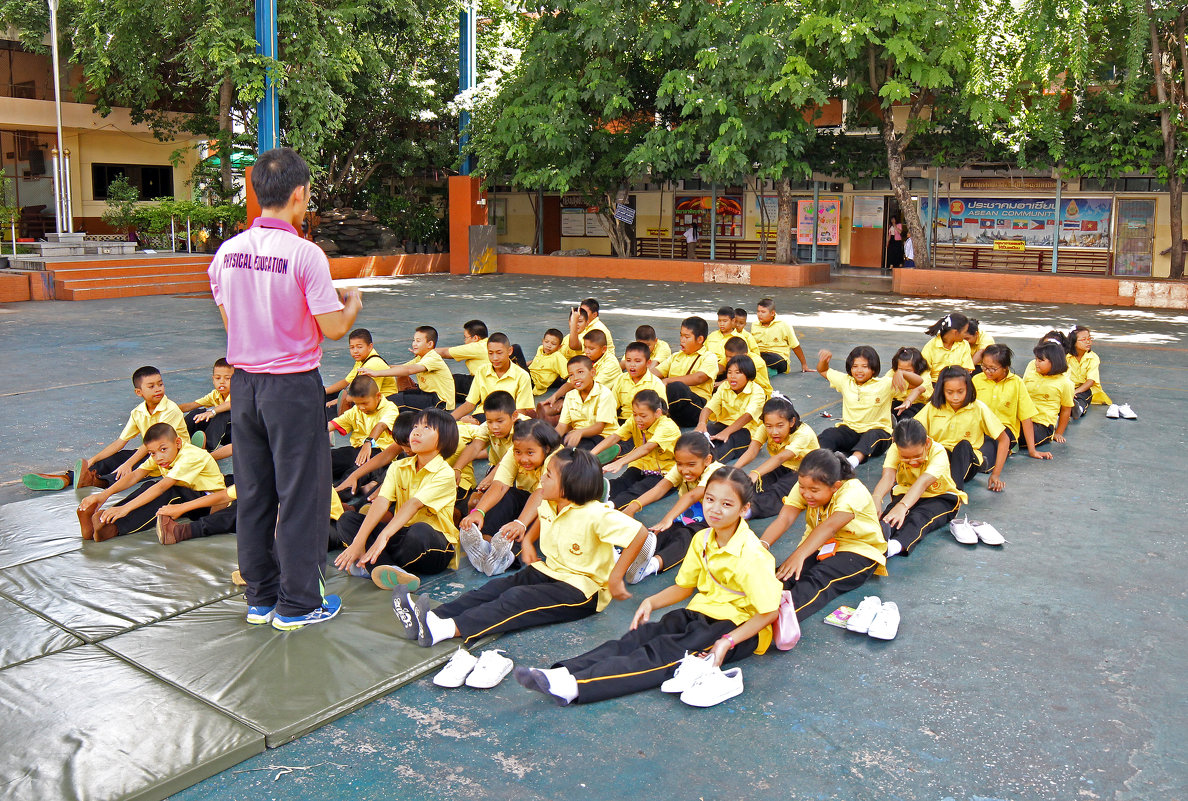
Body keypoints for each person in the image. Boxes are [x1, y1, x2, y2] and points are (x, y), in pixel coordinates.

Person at [208, 146, 361, 630]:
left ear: (256, 192)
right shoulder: (304, 254)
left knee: (253, 491)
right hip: (292, 387)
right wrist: (352, 303)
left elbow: (230, 319)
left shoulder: (226, 253)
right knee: (302, 495)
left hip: (246, 386)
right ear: (300, 194)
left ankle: (261, 598)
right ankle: (298, 604)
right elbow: (334, 328)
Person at [515, 466, 781, 707]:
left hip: (737, 626)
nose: (714, 509)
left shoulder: (753, 555)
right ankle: (564, 671)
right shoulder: (702, 538)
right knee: (637, 638)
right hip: (700, 612)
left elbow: (768, 612)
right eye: (710, 499)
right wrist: (651, 602)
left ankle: (575, 687)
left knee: (662, 654)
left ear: (744, 508)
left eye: (726, 504)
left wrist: (727, 642)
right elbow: (685, 587)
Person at [392, 448, 648, 649]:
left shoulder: (596, 514)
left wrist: (615, 578)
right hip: (549, 570)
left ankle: (444, 630)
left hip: (584, 589)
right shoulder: (550, 502)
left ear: (568, 486)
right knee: (495, 588)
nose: (542, 480)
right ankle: (430, 617)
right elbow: (540, 517)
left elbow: (640, 533)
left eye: (548, 476)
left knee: (516, 600)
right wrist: (527, 541)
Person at [333, 409, 461, 589]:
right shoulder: (398, 467)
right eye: (415, 426)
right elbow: (382, 501)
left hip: (434, 545)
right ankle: (384, 568)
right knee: (347, 520)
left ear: (444, 439)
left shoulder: (445, 473)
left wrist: (382, 537)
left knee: (419, 532)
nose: (416, 431)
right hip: (401, 533)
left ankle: (372, 564)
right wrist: (359, 541)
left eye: (426, 428)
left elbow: (413, 504)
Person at [761, 449, 887, 619]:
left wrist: (799, 554)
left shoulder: (854, 491)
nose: (806, 494)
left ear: (836, 486)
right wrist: (760, 548)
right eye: (802, 487)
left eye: (814, 490)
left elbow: (830, 527)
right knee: (784, 574)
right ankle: (749, 609)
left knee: (817, 579)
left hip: (859, 550)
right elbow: (784, 519)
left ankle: (776, 621)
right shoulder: (805, 487)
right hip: (821, 545)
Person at [31, 365, 192, 492]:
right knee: (116, 458)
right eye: (151, 386)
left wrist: (128, 464)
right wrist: (92, 461)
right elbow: (120, 442)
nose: (158, 389)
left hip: (171, 456)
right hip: (151, 452)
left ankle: (96, 482)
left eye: (160, 384)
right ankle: (67, 478)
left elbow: (154, 443)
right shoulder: (138, 412)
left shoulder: (170, 409)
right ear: (138, 392)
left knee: (129, 467)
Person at [76, 422, 226, 541]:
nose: (158, 457)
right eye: (152, 453)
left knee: (169, 492)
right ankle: (100, 523)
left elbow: (162, 487)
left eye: (163, 449)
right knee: (149, 485)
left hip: (212, 505)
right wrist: (105, 495)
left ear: (178, 443)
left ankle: (114, 527)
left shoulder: (191, 456)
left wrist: (126, 508)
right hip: (192, 499)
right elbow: (135, 475)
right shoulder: (162, 456)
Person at [620, 433, 725, 583]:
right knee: (658, 533)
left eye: (691, 465)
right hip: (690, 512)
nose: (684, 470)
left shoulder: (716, 471)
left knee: (686, 536)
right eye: (679, 464)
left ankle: (652, 565)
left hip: (715, 519)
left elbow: (692, 496)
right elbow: (660, 488)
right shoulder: (682, 466)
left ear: (707, 460)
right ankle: (625, 556)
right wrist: (633, 507)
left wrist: (668, 518)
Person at [870, 419, 967, 558]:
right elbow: (888, 477)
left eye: (917, 456)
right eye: (905, 457)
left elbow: (923, 483)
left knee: (918, 517)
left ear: (927, 443)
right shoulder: (894, 449)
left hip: (941, 497)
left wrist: (903, 506)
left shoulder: (938, 452)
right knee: (889, 518)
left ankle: (893, 547)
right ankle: (874, 541)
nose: (912, 462)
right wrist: (876, 499)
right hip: (906, 493)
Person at [458, 419, 560, 545]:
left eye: (530, 453)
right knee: (508, 495)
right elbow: (500, 485)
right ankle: (485, 542)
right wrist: (478, 511)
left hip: (551, 506)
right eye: (518, 452)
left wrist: (520, 523)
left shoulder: (556, 458)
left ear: (546, 449)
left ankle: (508, 555)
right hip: (527, 498)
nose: (523, 459)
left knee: (535, 520)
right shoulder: (514, 451)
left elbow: (541, 493)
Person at [915, 366, 1010, 492]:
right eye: (950, 392)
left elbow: (1004, 439)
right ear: (942, 391)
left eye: (960, 392)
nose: (955, 397)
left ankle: (955, 491)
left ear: (968, 389)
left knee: (963, 446)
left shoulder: (978, 408)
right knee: (941, 450)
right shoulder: (933, 407)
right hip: (940, 459)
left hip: (969, 461)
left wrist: (995, 475)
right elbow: (913, 433)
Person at [816, 347, 908, 467]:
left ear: (874, 368)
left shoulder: (885, 384)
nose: (859, 370)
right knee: (829, 433)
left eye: (865, 366)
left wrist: (902, 373)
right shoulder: (845, 381)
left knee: (872, 436)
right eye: (855, 366)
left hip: (878, 433)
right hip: (851, 431)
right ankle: (817, 458)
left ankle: (851, 463)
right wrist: (824, 360)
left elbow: (918, 382)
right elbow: (823, 371)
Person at [733, 395, 818, 519]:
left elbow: (780, 458)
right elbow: (752, 450)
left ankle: (748, 511)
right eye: (769, 426)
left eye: (780, 425)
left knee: (778, 490)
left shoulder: (803, 433)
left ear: (792, 422)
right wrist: (734, 469)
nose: (774, 432)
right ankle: (735, 503)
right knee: (754, 485)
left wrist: (756, 472)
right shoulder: (764, 428)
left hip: (806, 471)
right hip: (782, 467)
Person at [594, 390, 681, 508]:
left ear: (658, 413)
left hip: (664, 472)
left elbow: (647, 448)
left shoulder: (667, 427)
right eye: (635, 414)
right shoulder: (634, 421)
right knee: (623, 481)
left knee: (638, 490)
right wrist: (590, 454)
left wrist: (621, 462)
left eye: (643, 415)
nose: (638, 419)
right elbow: (615, 437)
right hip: (641, 465)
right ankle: (593, 493)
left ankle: (610, 506)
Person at [972, 344, 1049, 458]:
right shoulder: (976, 380)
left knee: (993, 445)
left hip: (1004, 430)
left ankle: (982, 460)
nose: (987, 371)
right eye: (984, 367)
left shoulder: (1016, 383)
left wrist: (1032, 450)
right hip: (980, 428)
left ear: (1005, 367)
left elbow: (1026, 417)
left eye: (992, 368)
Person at [362, 325, 456, 413]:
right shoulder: (421, 357)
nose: (414, 344)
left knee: (394, 402)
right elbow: (402, 368)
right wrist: (376, 365)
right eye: (413, 340)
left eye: (418, 341)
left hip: (441, 404)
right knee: (399, 396)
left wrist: (376, 373)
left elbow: (408, 370)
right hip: (427, 394)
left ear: (429, 344)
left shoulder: (433, 358)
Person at [328, 375, 399, 483]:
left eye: (365, 403)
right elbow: (334, 424)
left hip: (380, 455)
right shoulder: (356, 410)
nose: (361, 407)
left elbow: (381, 425)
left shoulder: (390, 408)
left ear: (378, 396)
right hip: (358, 450)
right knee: (325, 459)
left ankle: (338, 495)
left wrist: (368, 443)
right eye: (357, 403)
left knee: (353, 475)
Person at [696, 355, 764, 462]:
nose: (732, 376)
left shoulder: (757, 391)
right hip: (723, 425)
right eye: (729, 372)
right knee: (702, 434)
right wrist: (701, 424)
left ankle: (706, 465)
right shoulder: (724, 386)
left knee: (728, 442)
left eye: (738, 373)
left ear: (748, 374)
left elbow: (748, 416)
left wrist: (726, 432)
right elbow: (708, 407)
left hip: (747, 432)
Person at [651, 316, 717, 428]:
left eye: (687, 337)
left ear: (700, 339)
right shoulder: (675, 356)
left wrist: (668, 380)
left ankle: (656, 416)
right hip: (675, 406)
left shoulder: (709, 357)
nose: (682, 340)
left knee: (676, 388)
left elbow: (699, 377)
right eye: (681, 335)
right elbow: (655, 373)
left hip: (696, 407)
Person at [451, 333, 535, 421]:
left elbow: (520, 412)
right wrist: (448, 420)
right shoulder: (482, 371)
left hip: (507, 419)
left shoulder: (522, 376)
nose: (494, 358)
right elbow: (469, 404)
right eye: (490, 353)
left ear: (509, 351)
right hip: (483, 416)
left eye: (499, 353)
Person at [323, 328, 394, 414]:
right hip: (361, 397)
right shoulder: (361, 359)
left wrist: (331, 404)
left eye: (359, 347)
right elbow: (346, 381)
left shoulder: (373, 364)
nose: (355, 351)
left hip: (377, 404)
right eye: (352, 347)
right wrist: (323, 392)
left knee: (326, 410)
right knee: (326, 395)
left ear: (370, 346)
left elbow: (363, 395)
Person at [1023, 342, 1075, 447]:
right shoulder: (1031, 375)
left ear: (1054, 361)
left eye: (1041, 360)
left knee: (1022, 436)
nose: (1036, 363)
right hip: (1023, 419)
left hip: (1043, 425)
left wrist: (1058, 433)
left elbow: (1066, 409)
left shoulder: (1065, 383)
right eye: (1036, 359)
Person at [179, 358, 234, 451]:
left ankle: (206, 449)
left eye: (227, 378)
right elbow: (192, 405)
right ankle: (180, 440)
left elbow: (231, 404)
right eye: (218, 378)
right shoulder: (215, 394)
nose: (221, 382)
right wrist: (169, 408)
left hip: (238, 434)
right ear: (213, 379)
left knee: (221, 414)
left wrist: (213, 411)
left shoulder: (239, 392)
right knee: (197, 413)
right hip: (222, 432)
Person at [611, 341, 667, 422]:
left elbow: (662, 413)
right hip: (623, 421)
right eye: (628, 360)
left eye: (637, 361)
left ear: (648, 363)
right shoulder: (621, 379)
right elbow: (611, 406)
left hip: (645, 423)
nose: (632, 365)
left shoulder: (656, 383)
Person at [436, 319, 489, 402]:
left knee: (450, 381)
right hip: (491, 382)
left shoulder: (476, 347)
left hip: (484, 387)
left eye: (466, 337)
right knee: (457, 379)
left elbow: (444, 352)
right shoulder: (490, 343)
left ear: (475, 338)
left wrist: (423, 351)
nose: (464, 341)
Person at [751, 298, 809, 373]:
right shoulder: (754, 325)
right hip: (760, 355)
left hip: (778, 357)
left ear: (772, 313)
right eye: (758, 311)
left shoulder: (784, 325)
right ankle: (764, 370)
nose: (760, 314)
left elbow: (795, 346)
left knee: (768, 359)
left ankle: (760, 369)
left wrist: (804, 364)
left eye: (763, 312)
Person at [1065, 325, 1111, 418]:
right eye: (1084, 339)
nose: (1088, 341)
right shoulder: (1065, 356)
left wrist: (1075, 392)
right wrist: (1068, 391)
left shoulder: (1093, 358)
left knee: (1083, 396)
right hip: (1067, 387)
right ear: (1073, 342)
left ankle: (1078, 409)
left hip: (1084, 388)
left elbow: (1091, 381)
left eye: (1090, 338)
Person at [706, 306, 757, 375]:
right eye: (719, 321)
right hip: (709, 367)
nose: (721, 324)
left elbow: (745, 359)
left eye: (725, 321)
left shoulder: (739, 338)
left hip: (729, 369)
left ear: (733, 321)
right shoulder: (711, 336)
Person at [921, 313, 973, 381]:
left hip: (958, 382)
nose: (965, 335)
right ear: (955, 332)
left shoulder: (964, 345)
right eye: (965, 332)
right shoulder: (930, 347)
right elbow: (924, 373)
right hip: (935, 384)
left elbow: (966, 370)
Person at [887, 347, 931, 425]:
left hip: (915, 404)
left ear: (918, 368)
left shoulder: (924, 375)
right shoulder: (893, 372)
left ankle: (902, 425)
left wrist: (908, 401)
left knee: (907, 417)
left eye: (908, 371)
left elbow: (918, 390)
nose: (903, 373)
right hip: (896, 402)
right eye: (900, 369)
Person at [723, 335, 772, 400]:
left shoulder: (756, 361)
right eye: (727, 356)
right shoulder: (732, 358)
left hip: (759, 392)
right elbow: (720, 366)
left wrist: (720, 384)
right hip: (739, 386)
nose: (728, 360)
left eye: (731, 357)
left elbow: (738, 377)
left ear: (744, 355)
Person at [529, 329, 568, 395]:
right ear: (543, 341)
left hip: (534, 382)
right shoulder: (540, 349)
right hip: (528, 374)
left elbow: (568, 374)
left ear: (559, 347)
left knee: (516, 349)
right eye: (546, 342)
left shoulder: (557, 356)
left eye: (553, 344)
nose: (549, 345)